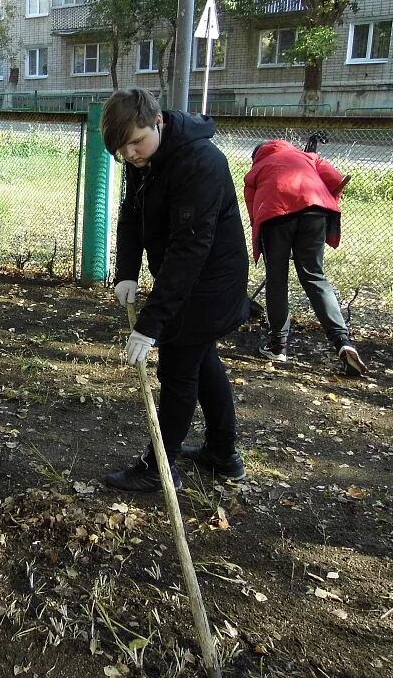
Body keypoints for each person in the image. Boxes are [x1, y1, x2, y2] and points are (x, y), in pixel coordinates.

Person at [100, 88, 250, 492]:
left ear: (158, 121)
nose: (130, 153)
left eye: (135, 141)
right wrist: (126, 272)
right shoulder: (145, 159)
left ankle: (158, 467)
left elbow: (189, 250)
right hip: (188, 275)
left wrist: (150, 325)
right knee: (202, 362)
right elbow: (131, 214)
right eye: (121, 148)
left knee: (179, 370)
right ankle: (223, 454)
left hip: (210, 281)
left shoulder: (200, 162)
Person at [244, 139, 366, 376]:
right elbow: (336, 180)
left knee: (277, 279)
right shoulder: (308, 157)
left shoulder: (257, 169)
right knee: (314, 276)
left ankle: (279, 345)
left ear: (257, 155)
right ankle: (343, 341)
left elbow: (253, 210)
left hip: (275, 217)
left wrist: (267, 239)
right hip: (314, 211)